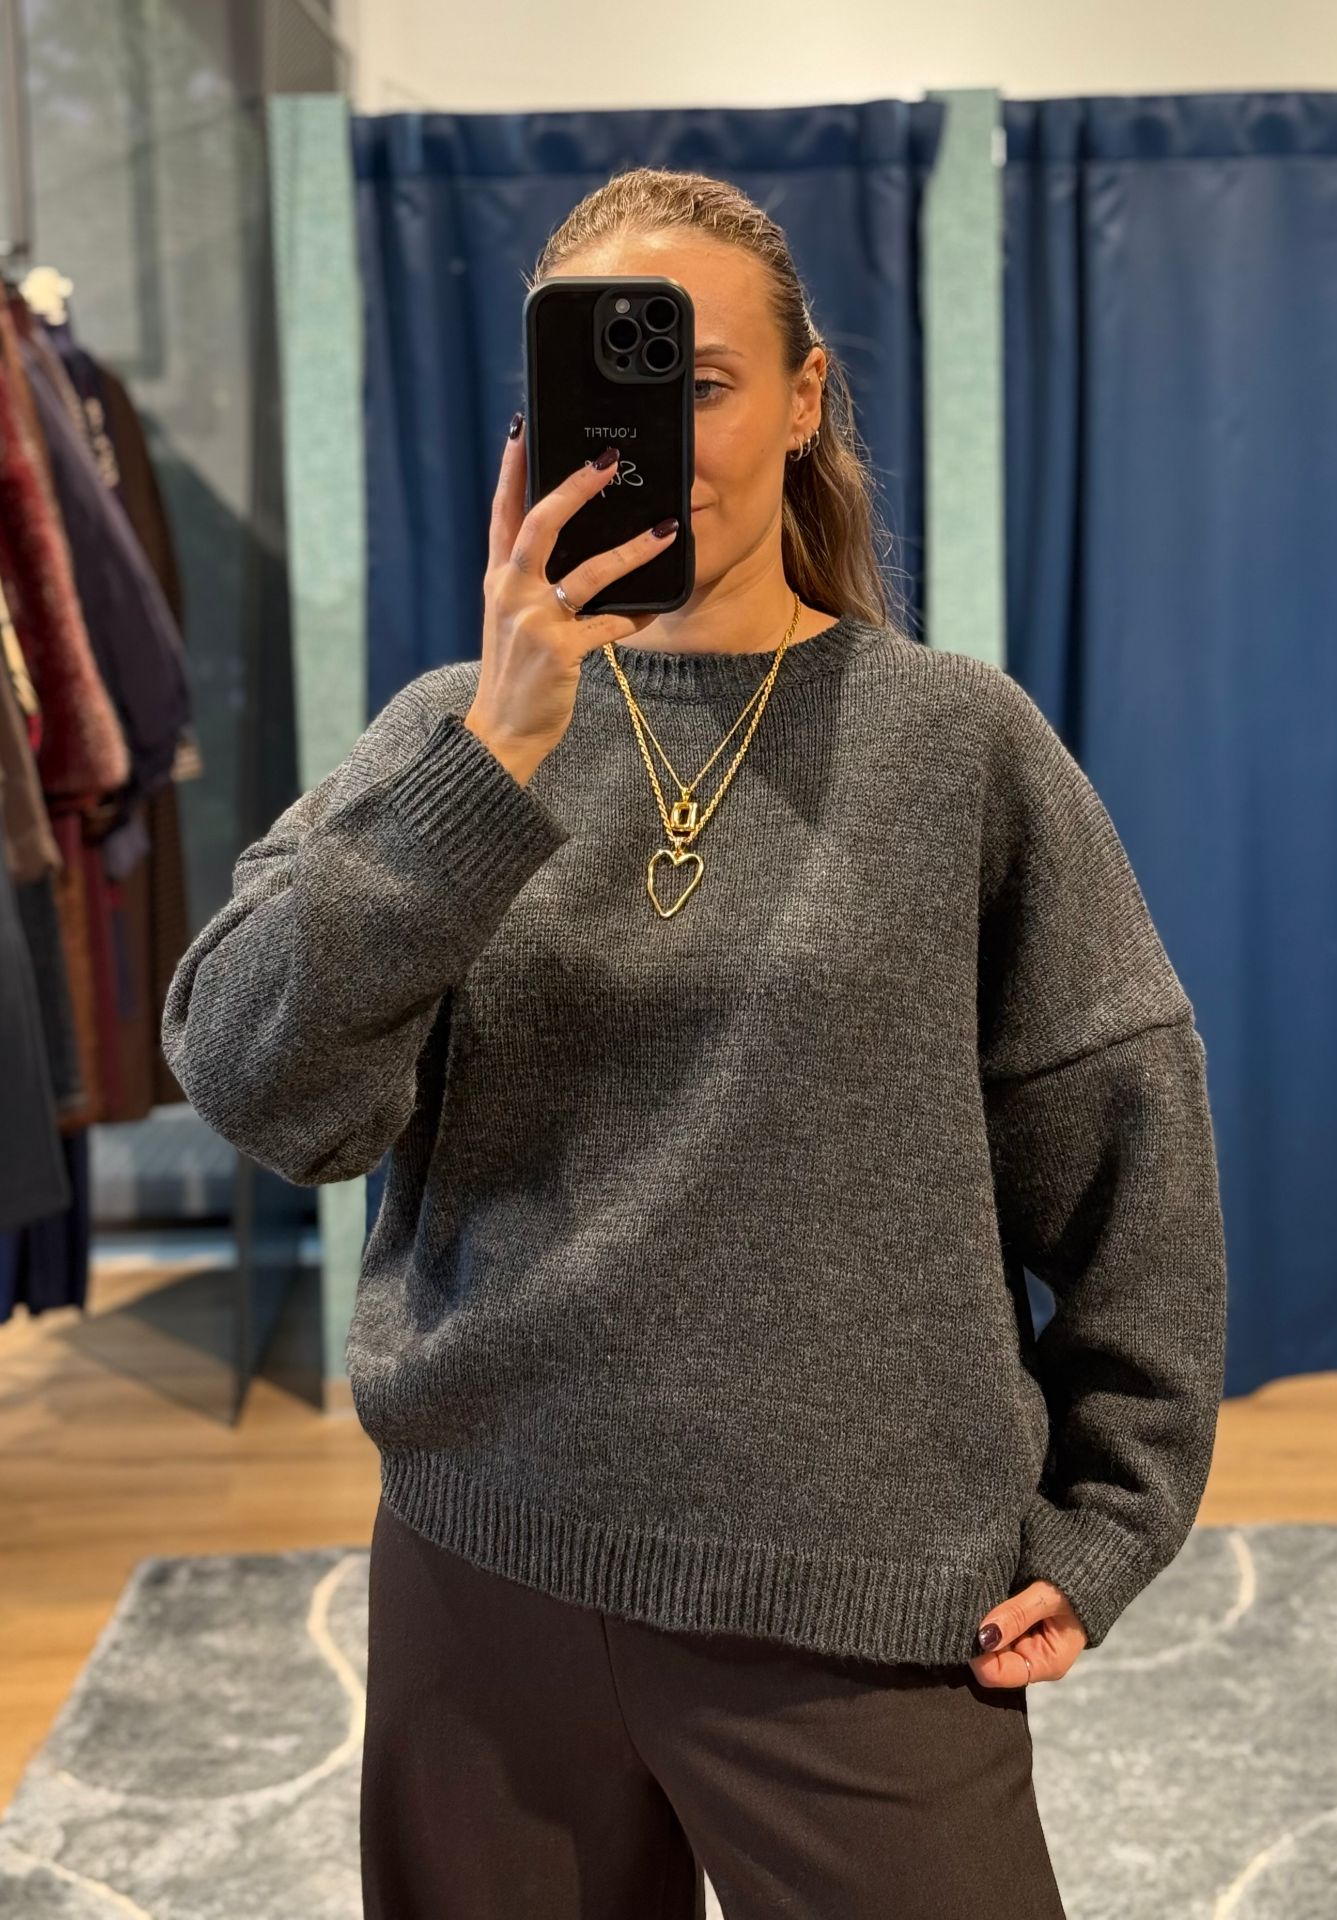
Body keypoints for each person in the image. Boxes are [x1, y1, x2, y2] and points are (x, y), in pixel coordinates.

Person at [161, 166, 1227, 1919]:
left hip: (856, 1599)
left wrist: (1118, 1507)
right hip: (483, 1566)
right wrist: (495, 761)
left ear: (807, 400)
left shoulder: (951, 743)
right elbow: (259, 1083)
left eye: (702, 383)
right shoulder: (449, 734)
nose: (654, 442)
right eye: (598, 390)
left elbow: (1122, 1121)